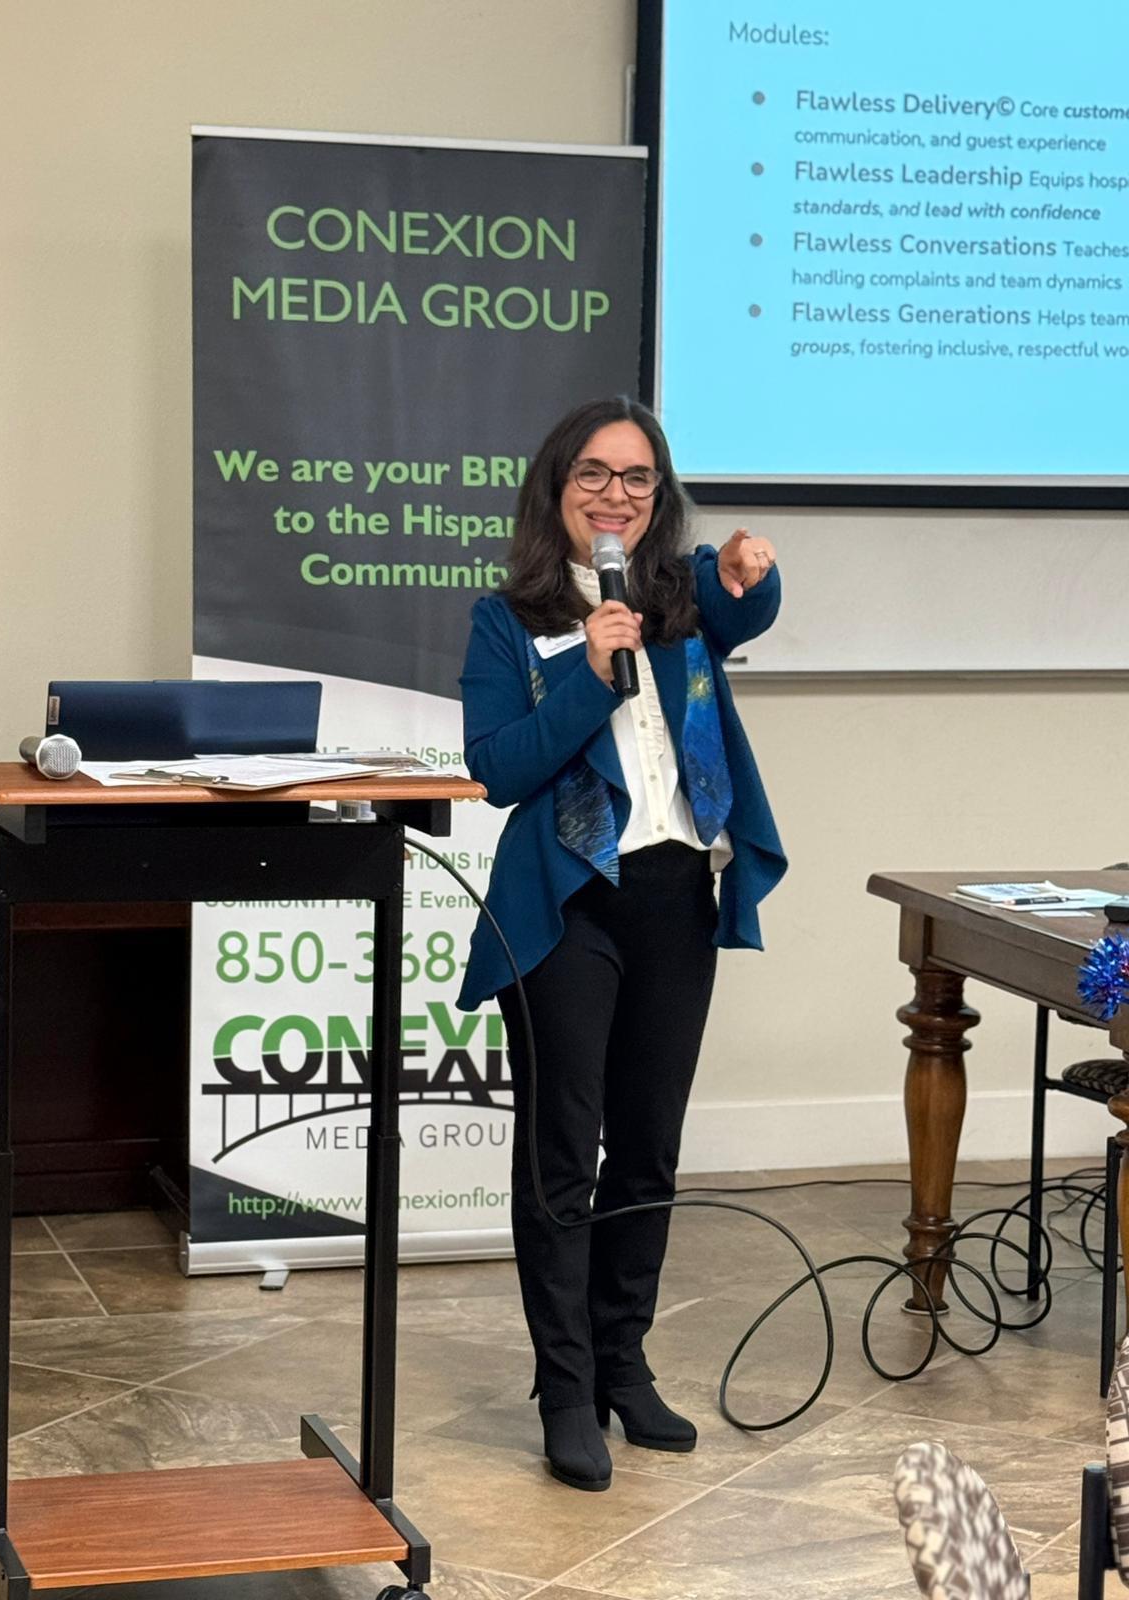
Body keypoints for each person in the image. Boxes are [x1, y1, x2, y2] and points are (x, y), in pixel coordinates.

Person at [457, 396, 786, 1491]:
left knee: (648, 1144)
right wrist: (587, 672)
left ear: (660, 495)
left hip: (672, 890)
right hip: (565, 901)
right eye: (594, 473)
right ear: (557, 488)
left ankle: (622, 1364)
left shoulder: (679, 599)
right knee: (566, 1151)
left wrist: (749, 569)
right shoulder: (509, 620)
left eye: (638, 477)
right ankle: (562, 1389)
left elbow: (750, 608)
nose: (616, 493)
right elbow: (501, 766)